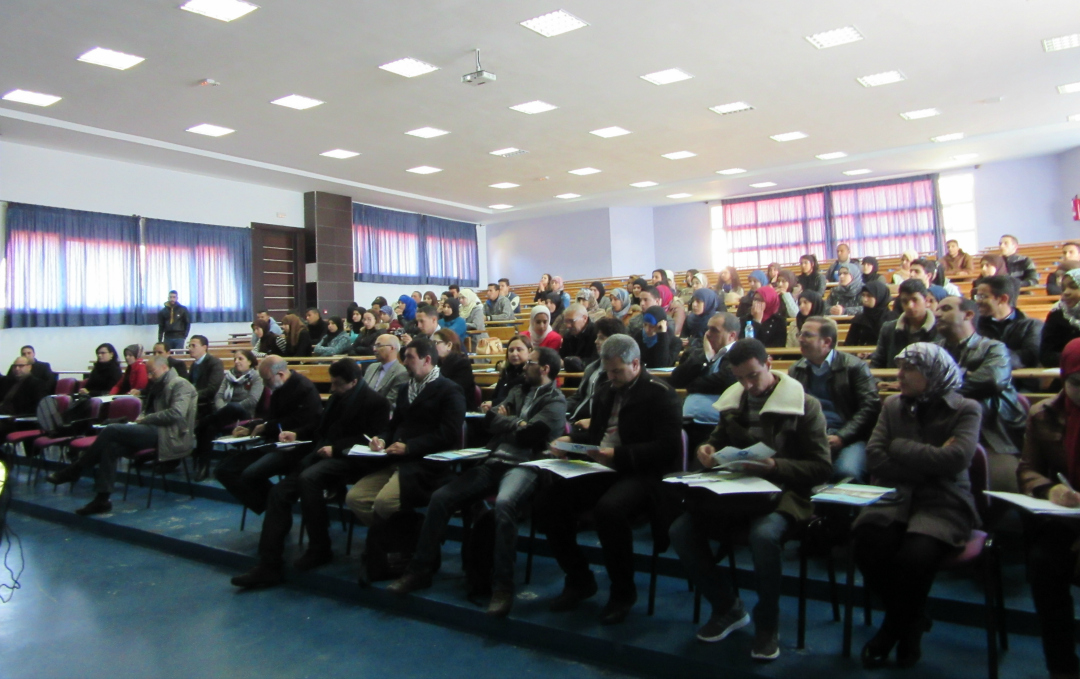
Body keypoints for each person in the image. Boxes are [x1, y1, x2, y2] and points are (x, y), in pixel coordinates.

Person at [670, 338, 831, 661]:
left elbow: (821, 468)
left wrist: (775, 466)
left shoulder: (805, 405)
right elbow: (717, 441)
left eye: (753, 376)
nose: (748, 385)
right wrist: (707, 450)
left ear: (769, 364)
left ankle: (767, 622)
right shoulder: (734, 402)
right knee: (680, 530)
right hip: (738, 491)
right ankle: (727, 607)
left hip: (785, 493)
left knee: (764, 536)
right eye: (740, 378)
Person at [387, 347, 567, 615]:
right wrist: (516, 424)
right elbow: (489, 421)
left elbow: (530, 436)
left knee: (504, 504)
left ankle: (502, 586)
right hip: (494, 460)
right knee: (441, 497)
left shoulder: (556, 401)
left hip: (526, 466)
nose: (524, 366)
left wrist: (509, 423)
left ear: (545, 369)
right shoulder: (518, 390)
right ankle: (419, 570)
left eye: (530, 362)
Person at [535, 335, 682, 625]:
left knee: (609, 510)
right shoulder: (605, 391)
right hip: (604, 466)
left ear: (636, 364)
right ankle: (579, 579)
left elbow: (668, 449)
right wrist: (571, 441)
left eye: (617, 371)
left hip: (643, 473)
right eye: (608, 371)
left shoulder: (661, 394)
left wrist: (618, 455)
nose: (612, 377)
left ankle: (623, 592)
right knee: (548, 501)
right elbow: (597, 435)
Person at [854, 343, 981, 669]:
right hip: (896, 496)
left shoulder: (966, 409)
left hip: (945, 501)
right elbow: (875, 457)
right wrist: (930, 465)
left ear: (932, 373)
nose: (899, 376)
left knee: (916, 556)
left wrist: (898, 447)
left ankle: (893, 629)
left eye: (908, 369)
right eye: (900, 368)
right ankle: (911, 619)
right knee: (867, 543)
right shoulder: (892, 405)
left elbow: (956, 459)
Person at [230, 358, 391, 588]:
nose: (332, 388)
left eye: (337, 384)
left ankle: (320, 547)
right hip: (320, 454)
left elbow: (370, 438)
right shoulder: (337, 398)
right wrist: (297, 433)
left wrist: (336, 449)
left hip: (350, 460)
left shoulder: (377, 403)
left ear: (353, 382)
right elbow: (320, 428)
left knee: (308, 479)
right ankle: (269, 564)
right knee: (278, 492)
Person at [47, 355, 198, 516]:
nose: (149, 376)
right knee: (110, 447)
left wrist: (146, 418)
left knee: (111, 430)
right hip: (154, 430)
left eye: (152, 372)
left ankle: (76, 469)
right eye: (148, 372)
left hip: (170, 435)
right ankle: (102, 500)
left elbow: (177, 413)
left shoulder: (180, 384)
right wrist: (142, 419)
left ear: (164, 368)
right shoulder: (158, 385)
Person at [345, 338, 467, 529]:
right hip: (397, 460)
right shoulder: (405, 389)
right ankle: (400, 538)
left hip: (427, 464)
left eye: (410, 357)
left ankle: (405, 538)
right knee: (355, 498)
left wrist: (410, 447)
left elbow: (448, 434)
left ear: (427, 360)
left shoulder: (450, 390)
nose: (405, 362)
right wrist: (382, 439)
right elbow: (394, 425)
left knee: (384, 504)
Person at [1017, 337, 1080, 679]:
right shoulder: (1043, 414)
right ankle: (1062, 667)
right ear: (1065, 379)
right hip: (1065, 519)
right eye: (1077, 382)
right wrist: (1049, 488)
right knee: (1044, 566)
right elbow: (1027, 469)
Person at [934, 296, 1025, 489]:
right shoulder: (935, 350)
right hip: (943, 432)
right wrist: (966, 374)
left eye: (946, 308)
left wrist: (942, 383)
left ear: (968, 314)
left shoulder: (994, 348)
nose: (937, 313)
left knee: (1000, 489)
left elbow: (992, 380)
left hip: (991, 434)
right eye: (937, 309)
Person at [213, 356, 324, 514]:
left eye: (267, 379)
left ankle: (275, 505)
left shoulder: (304, 388)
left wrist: (266, 427)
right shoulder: (278, 388)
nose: (265, 384)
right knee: (224, 469)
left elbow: (301, 422)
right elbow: (270, 418)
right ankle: (272, 505)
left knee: (250, 474)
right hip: (274, 443)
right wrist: (251, 428)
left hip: (295, 447)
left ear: (280, 374)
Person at [789, 317, 881, 481]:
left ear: (826, 342)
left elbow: (870, 408)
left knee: (847, 472)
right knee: (790, 470)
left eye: (807, 335)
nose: (800, 339)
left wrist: (842, 437)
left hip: (849, 437)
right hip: (812, 437)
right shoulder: (796, 369)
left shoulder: (854, 366)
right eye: (800, 334)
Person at [191, 349, 264, 480]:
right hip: (224, 415)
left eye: (240, 359)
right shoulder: (229, 376)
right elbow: (218, 396)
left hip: (245, 415)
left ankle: (201, 425)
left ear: (250, 362)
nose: (236, 362)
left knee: (232, 406)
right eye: (235, 359)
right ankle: (204, 466)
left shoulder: (257, 377)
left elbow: (253, 400)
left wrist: (231, 407)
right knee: (210, 428)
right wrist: (223, 409)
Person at [671, 311, 740, 426]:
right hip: (688, 421)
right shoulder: (698, 353)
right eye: (708, 329)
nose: (707, 334)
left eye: (714, 330)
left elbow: (725, 381)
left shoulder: (738, 353)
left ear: (731, 335)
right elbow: (676, 380)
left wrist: (691, 385)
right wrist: (706, 357)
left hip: (718, 425)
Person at [565, 318, 627, 422]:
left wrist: (593, 422)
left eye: (601, 338)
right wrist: (560, 407)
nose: (596, 341)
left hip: (596, 423)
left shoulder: (618, 374)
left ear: (615, 341)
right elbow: (578, 397)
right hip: (575, 419)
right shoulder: (592, 367)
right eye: (597, 337)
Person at [975, 275, 1043, 369]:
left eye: (983, 296)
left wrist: (992, 355)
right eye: (977, 296)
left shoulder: (1031, 326)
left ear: (1003, 299)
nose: (977, 301)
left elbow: (1030, 357)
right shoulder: (974, 325)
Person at [869, 280, 939, 369]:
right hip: (893, 377)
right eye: (905, 301)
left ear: (926, 300)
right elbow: (877, 363)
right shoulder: (889, 329)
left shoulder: (940, 328)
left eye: (915, 300)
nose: (910, 305)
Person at [1041, 268, 1080, 367]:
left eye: (1073, 287)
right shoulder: (1057, 316)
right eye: (1063, 289)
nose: (1066, 292)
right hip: (1068, 372)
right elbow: (1046, 356)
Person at [432, 329, 478, 410]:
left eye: (436, 343)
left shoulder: (462, 364)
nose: (432, 346)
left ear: (449, 345)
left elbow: (454, 391)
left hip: (459, 409)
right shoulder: (435, 363)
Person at [484, 335, 532, 410]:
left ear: (529, 352)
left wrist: (493, 403)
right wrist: (487, 405)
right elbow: (494, 396)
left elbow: (517, 400)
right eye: (511, 350)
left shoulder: (530, 376)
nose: (514, 353)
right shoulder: (506, 373)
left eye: (519, 350)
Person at [845, 281, 897, 347]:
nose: (865, 299)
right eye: (863, 295)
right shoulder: (859, 320)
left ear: (879, 296)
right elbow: (849, 344)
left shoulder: (893, 319)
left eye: (869, 296)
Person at [186, 335, 225, 419]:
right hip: (194, 402)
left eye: (193, 346)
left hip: (207, 405)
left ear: (204, 347)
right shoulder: (194, 365)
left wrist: (192, 396)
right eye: (189, 346)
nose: (190, 349)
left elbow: (213, 388)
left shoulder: (215, 363)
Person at [560, 303, 599, 368]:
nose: (568, 325)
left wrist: (569, 363)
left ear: (584, 318)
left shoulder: (596, 333)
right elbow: (563, 357)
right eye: (566, 321)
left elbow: (595, 361)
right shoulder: (568, 335)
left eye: (571, 321)